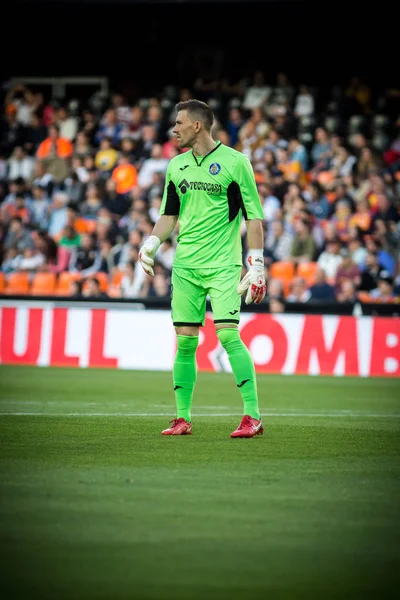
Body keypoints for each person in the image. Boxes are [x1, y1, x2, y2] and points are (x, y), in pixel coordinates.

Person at [139, 99, 266, 438]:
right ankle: (182, 418)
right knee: (184, 343)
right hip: (185, 266)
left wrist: (257, 264)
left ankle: (252, 416)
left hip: (223, 264)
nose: (174, 128)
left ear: (197, 125)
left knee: (227, 334)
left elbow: (254, 216)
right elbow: (169, 214)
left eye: (179, 123)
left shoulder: (236, 162)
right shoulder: (176, 166)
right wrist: (151, 242)